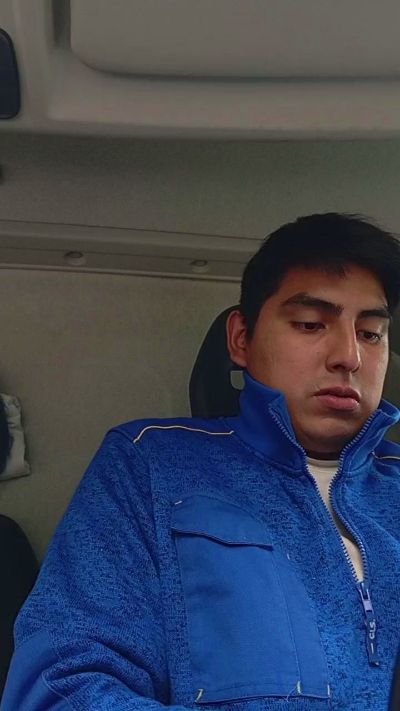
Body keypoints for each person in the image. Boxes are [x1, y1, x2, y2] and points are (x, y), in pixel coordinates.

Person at [2, 213, 400, 711]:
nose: (349, 356)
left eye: (371, 333)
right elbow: (61, 686)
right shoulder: (151, 462)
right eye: (309, 324)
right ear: (241, 339)